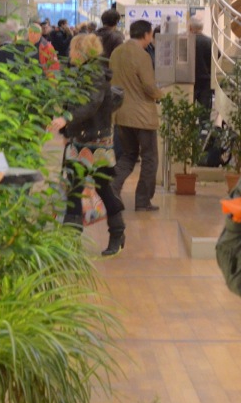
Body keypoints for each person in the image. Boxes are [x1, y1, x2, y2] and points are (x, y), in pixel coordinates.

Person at [49, 33, 128, 255]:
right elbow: (70, 103)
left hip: (97, 141)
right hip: (80, 139)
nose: (69, 53)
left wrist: (66, 120)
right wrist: (65, 128)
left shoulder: (94, 75)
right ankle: (71, 240)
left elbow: (91, 104)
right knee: (74, 188)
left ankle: (117, 231)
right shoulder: (78, 73)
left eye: (73, 49)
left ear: (81, 52)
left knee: (103, 187)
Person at [110, 19, 163, 212]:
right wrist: (160, 94)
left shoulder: (117, 53)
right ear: (147, 34)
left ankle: (113, 188)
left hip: (121, 114)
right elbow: (149, 86)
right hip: (142, 116)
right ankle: (142, 201)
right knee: (149, 158)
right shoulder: (142, 55)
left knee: (127, 156)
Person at [188, 14, 213, 112]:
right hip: (206, 82)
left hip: (189, 81)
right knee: (205, 113)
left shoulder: (185, 41)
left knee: (187, 112)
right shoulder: (210, 42)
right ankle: (204, 127)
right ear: (202, 27)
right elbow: (218, 59)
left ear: (190, 27)